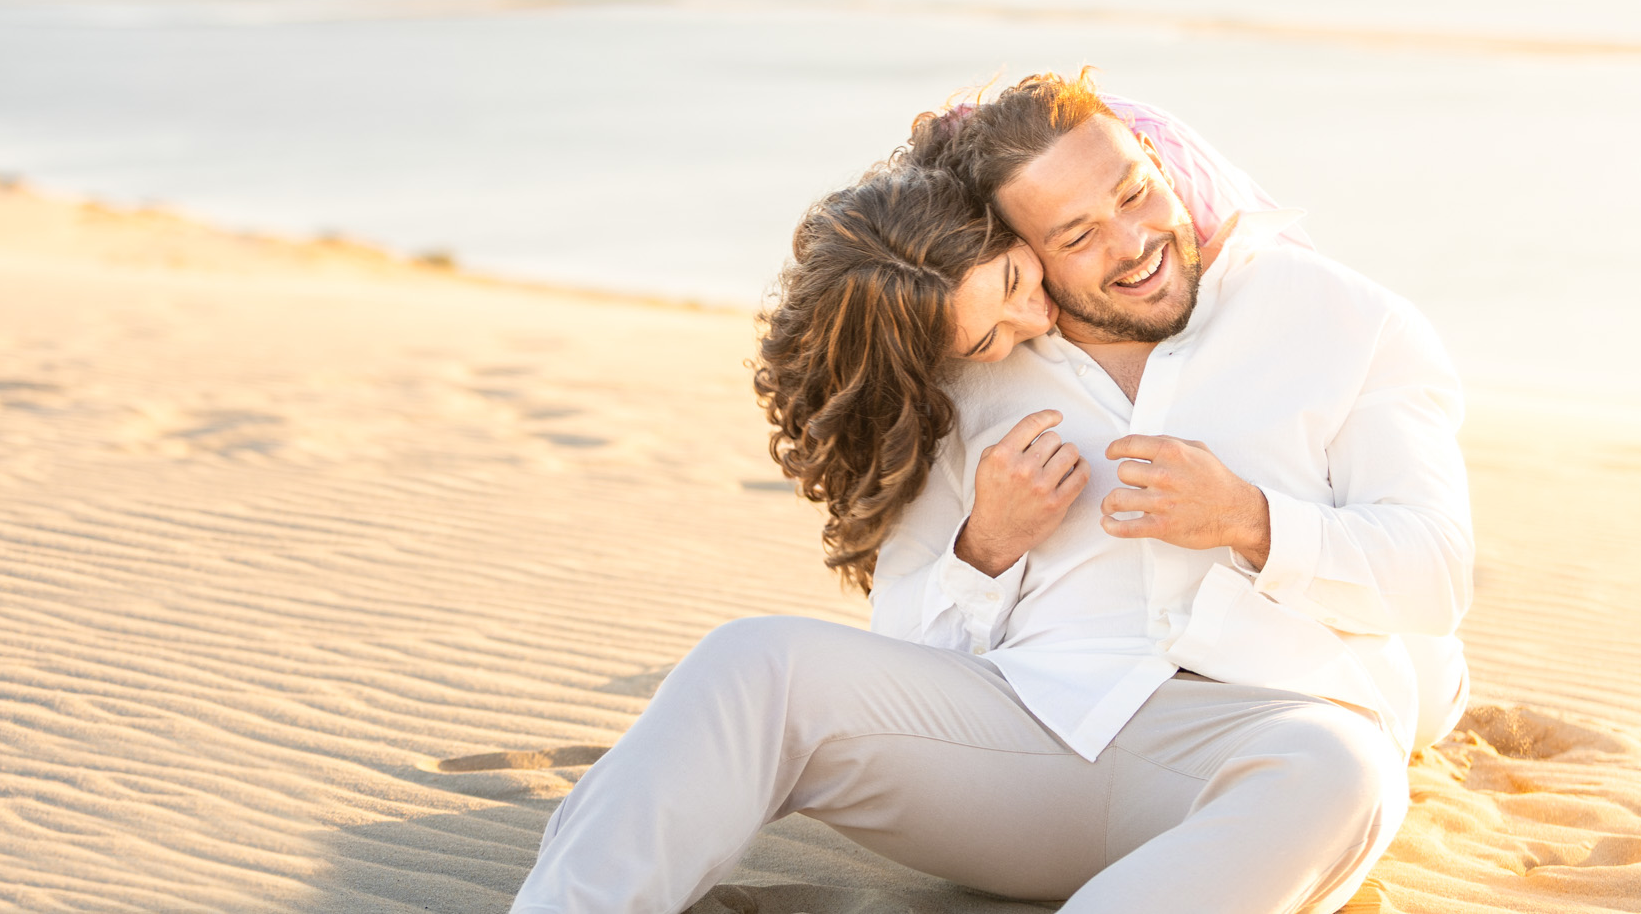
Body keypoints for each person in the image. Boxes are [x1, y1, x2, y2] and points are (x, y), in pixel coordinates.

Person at [508, 72, 1473, 914]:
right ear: (1016, 244)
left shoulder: (1342, 319)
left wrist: (1252, 521)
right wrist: (985, 548)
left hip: (1259, 733)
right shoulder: (974, 355)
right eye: (1077, 235)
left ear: (1153, 157)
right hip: (1022, 736)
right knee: (752, 661)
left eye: (1137, 193)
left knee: (1343, 774)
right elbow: (910, 650)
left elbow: (1433, 577)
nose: (1135, 242)